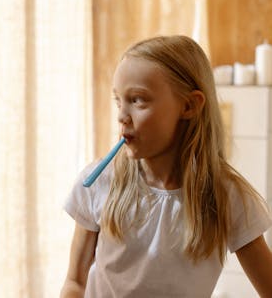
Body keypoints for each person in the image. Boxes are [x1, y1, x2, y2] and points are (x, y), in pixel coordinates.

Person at [60, 35, 272, 298]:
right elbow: (75, 282)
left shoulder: (227, 196)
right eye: (119, 100)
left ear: (189, 105)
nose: (122, 116)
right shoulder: (100, 181)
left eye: (138, 100)